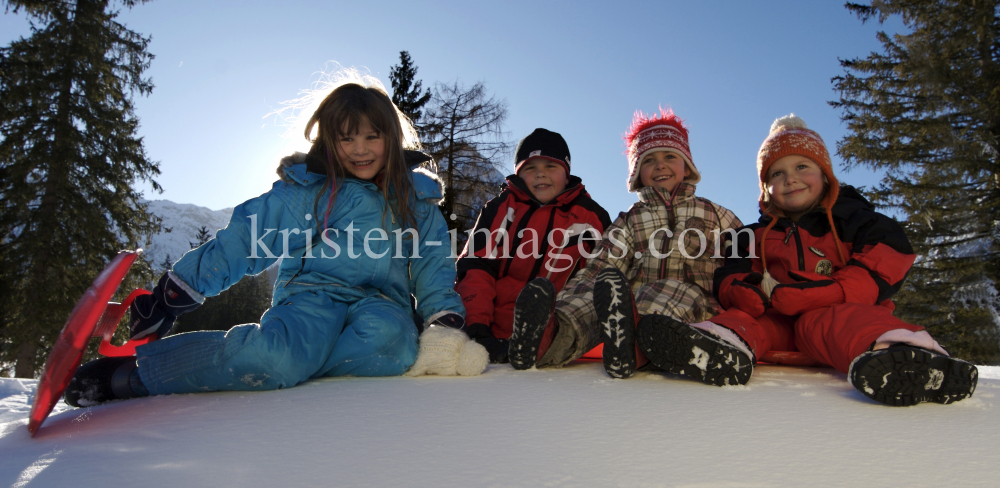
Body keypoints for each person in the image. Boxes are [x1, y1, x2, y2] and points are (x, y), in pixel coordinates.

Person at [64, 76, 486, 407]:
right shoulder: (312, 190)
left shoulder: (416, 201)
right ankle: (140, 374)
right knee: (276, 356)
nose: (360, 149)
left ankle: (298, 362)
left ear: (391, 139)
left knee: (393, 347)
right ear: (329, 141)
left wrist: (441, 319)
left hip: (383, 303)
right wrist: (176, 293)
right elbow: (249, 238)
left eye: (372, 136)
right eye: (346, 137)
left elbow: (433, 266)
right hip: (311, 296)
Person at [637, 114, 978, 406]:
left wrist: (837, 291)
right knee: (743, 319)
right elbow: (731, 272)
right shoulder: (750, 234)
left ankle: (905, 356)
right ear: (765, 187)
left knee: (844, 322)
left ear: (826, 174)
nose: (790, 178)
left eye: (802, 166)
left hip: (837, 313)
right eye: (776, 174)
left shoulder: (854, 218)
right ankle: (716, 346)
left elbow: (890, 254)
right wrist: (740, 290)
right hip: (778, 320)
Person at [508, 109, 742, 378]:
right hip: (625, 306)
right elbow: (602, 264)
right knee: (594, 293)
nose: (660, 165)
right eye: (649, 160)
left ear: (687, 166)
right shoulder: (630, 219)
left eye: (670, 156)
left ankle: (632, 347)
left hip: (695, 301)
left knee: (662, 293)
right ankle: (548, 338)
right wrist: (573, 299)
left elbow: (746, 256)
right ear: (636, 173)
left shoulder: (715, 214)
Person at [456, 129, 611, 363]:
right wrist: (477, 328)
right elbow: (476, 268)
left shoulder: (591, 217)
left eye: (551, 166)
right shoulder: (500, 210)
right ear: (519, 174)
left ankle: (549, 339)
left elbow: (599, 276)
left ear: (567, 173)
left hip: (560, 330)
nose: (540, 174)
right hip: (493, 332)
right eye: (530, 168)